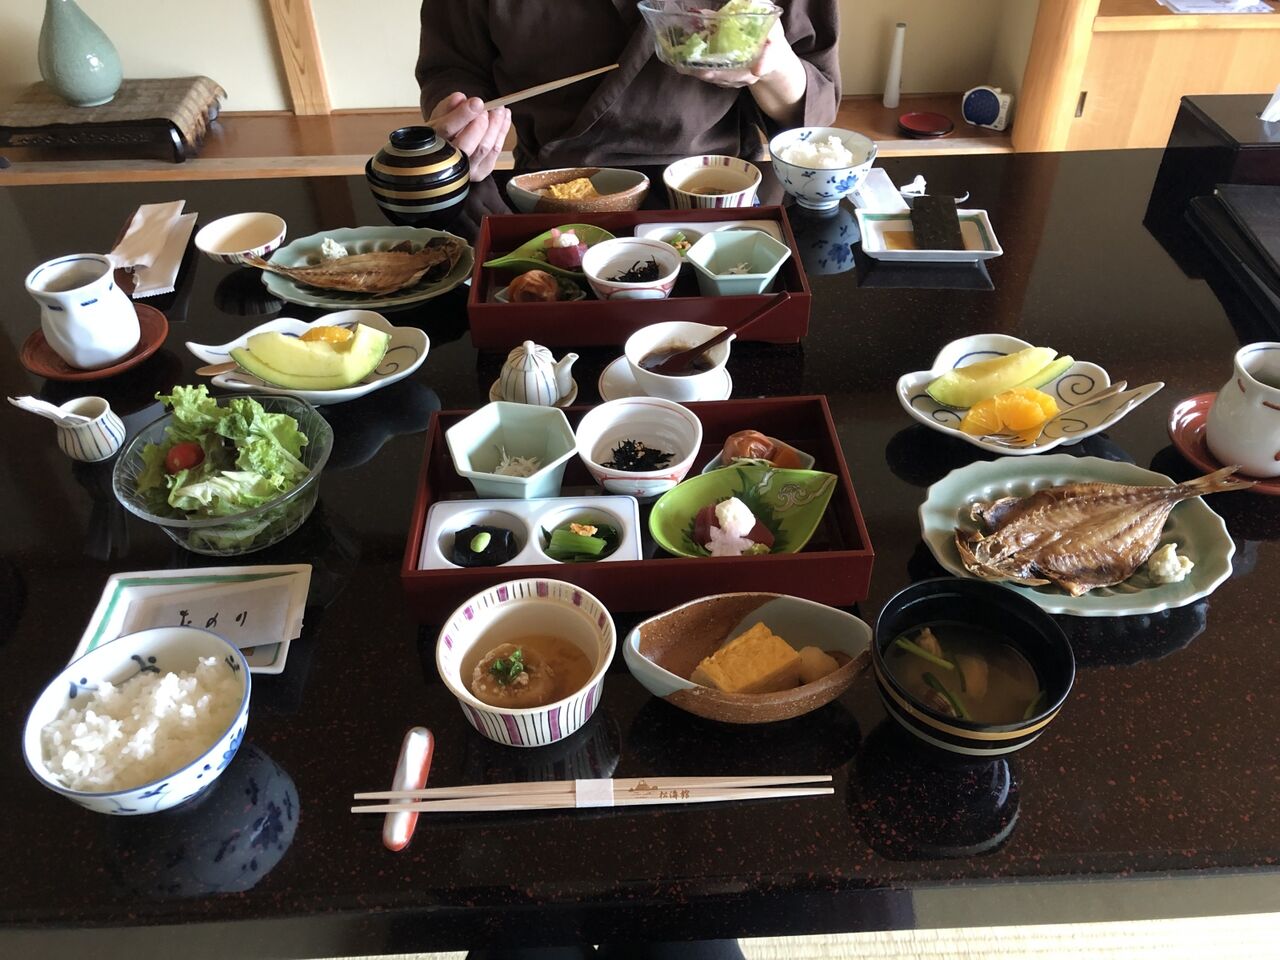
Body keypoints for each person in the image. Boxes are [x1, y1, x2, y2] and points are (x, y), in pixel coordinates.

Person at [416, 1, 840, 179]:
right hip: (549, 190)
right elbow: (453, 67)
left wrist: (776, 67)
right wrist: (462, 125)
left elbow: (815, 110)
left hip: (718, 188)